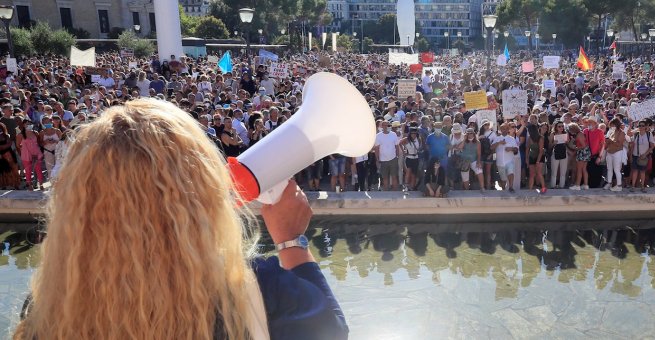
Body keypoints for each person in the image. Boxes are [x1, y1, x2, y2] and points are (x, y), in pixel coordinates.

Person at [13, 99, 348, 340]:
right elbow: (331, 331)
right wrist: (290, 240)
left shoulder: (45, 307)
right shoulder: (258, 291)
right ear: (199, 192)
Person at [16, 119, 44, 191]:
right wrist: (22, 152)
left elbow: (38, 143)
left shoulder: (35, 133)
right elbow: (18, 145)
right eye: (26, 123)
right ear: (23, 125)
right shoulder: (20, 135)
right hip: (26, 155)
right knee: (28, 170)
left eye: (30, 123)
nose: (28, 125)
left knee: (38, 169)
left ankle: (41, 184)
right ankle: (29, 185)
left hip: (36, 153)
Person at [630, 119, 655, 192]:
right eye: (640, 125)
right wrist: (631, 156)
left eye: (643, 126)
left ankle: (642, 187)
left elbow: (652, 146)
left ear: (645, 127)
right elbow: (632, 146)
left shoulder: (649, 134)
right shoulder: (635, 134)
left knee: (642, 172)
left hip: (644, 157)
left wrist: (645, 154)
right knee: (635, 171)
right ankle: (633, 186)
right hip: (635, 155)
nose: (641, 127)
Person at [492, 123, 518, 193]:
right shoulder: (497, 138)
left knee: (511, 173)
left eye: (506, 128)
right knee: (503, 179)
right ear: (500, 130)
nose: (505, 130)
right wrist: (499, 143)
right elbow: (491, 148)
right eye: (503, 128)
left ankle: (511, 187)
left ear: (508, 129)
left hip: (509, 161)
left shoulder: (512, 139)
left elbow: (516, 149)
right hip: (500, 162)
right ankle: (503, 189)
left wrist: (511, 149)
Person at [374, 120, 400, 191]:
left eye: (387, 125)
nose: (386, 127)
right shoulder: (378, 136)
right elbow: (376, 148)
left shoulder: (393, 134)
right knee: (385, 177)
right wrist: (377, 159)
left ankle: (395, 192)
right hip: (383, 160)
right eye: (384, 125)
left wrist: (397, 156)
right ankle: (386, 193)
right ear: (382, 126)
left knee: (394, 176)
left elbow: (397, 146)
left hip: (393, 159)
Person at [459, 128, 485, 192]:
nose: (470, 134)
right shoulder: (464, 141)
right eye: (468, 133)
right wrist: (464, 139)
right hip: (464, 160)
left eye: (471, 133)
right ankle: (467, 189)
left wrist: (478, 162)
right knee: (465, 176)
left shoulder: (478, 142)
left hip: (474, 160)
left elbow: (479, 154)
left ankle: (482, 187)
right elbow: (460, 147)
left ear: (473, 133)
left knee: (479, 171)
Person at [603, 117, 625, 192]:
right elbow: (608, 142)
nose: (611, 127)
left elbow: (619, 144)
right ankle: (609, 183)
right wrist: (607, 142)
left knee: (617, 169)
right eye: (611, 125)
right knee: (609, 169)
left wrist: (610, 141)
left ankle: (619, 185)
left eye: (613, 125)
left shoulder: (622, 133)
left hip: (617, 152)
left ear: (616, 124)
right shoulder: (612, 132)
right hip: (609, 152)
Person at [526, 124, 547, 193]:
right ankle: (530, 189)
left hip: (540, 157)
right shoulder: (529, 138)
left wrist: (538, 162)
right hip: (532, 156)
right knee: (532, 174)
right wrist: (527, 159)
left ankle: (543, 187)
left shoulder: (541, 138)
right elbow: (527, 149)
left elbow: (541, 151)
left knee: (539, 173)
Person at [569, 123, 590, 191]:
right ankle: (586, 185)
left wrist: (576, 148)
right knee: (584, 169)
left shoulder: (579, 135)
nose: (570, 131)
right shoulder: (580, 133)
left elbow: (583, 146)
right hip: (586, 152)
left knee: (579, 169)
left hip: (582, 152)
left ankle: (577, 185)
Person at [548, 121, 568, 189]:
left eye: (562, 126)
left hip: (564, 153)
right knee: (554, 171)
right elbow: (549, 146)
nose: (561, 128)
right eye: (559, 126)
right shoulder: (553, 134)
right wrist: (554, 143)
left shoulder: (565, 133)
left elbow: (568, 145)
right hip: (555, 153)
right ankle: (553, 186)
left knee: (563, 172)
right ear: (556, 127)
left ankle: (561, 186)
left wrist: (567, 142)